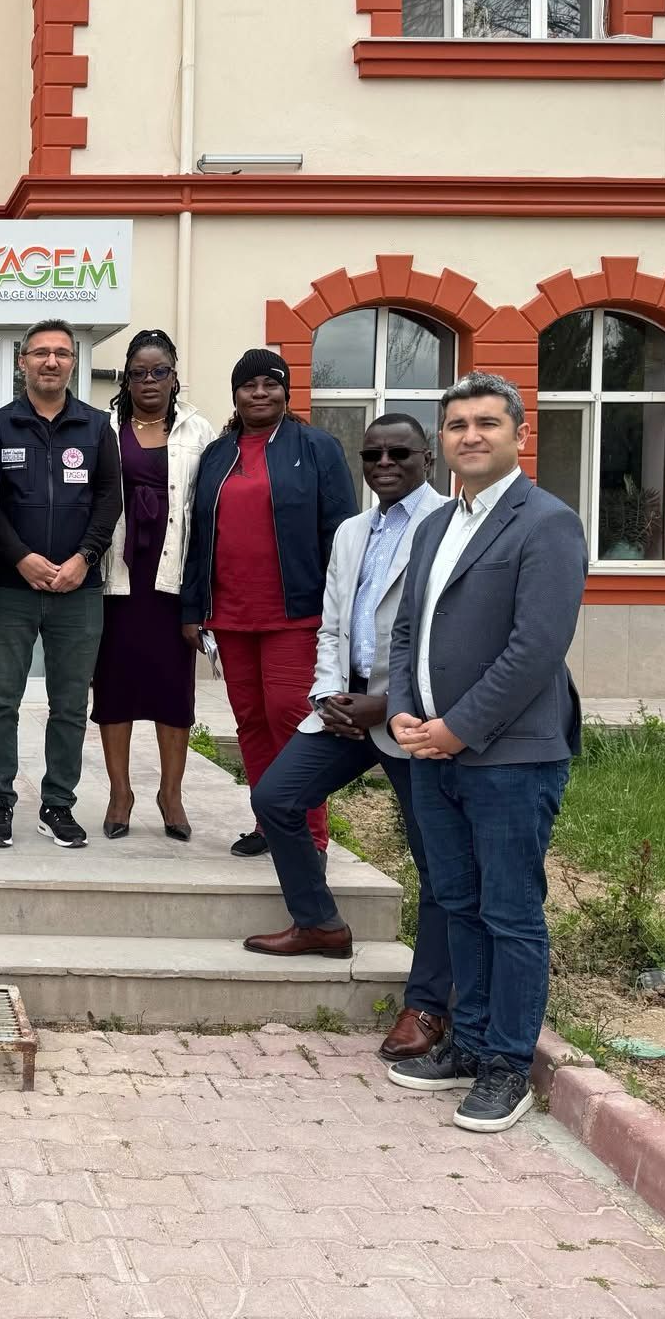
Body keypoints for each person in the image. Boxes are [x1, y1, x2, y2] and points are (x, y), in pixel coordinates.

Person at [385, 373, 587, 1133]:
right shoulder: (436, 525)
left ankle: (508, 1064)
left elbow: (536, 648)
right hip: (431, 751)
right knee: (457, 903)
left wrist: (458, 728)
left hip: (510, 757)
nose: (470, 435)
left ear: (519, 435)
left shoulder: (548, 523)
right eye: (457, 424)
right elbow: (407, 630)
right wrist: (403, 711)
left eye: (487, 423)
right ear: (443, 439)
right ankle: (467, 1045)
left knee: (509, 912)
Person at [242, 415, 454, 1064]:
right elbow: (333, 625)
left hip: (414, 716)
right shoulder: (352, 531)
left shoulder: (449, 525)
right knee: (276, 797)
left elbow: (448, 639)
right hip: (346, 706)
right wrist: (327, 696)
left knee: (436, 862)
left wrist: (388, 704)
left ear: (427, 458)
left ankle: (428, 1005)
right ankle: (319, 924)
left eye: (399, 452)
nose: (384, 463)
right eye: (372, 454)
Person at [179, 349, 354, 859]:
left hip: (295, 615)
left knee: (292, 718)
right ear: (235, 394)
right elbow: (198, 537)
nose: (259, 393)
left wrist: (340, 607)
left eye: (270, 384)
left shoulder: (317, 448)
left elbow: (341, 534)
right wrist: (193, 609)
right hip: (230, 616)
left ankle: (310, 836)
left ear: (286, 391)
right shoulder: (218, 454)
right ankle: (269, 822)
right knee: (251, 722)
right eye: (248, 385)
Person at [0, 319, 122, 849]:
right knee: (2, 699)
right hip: (10, 588)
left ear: (73, 364)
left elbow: (109, 499)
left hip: (78, 591)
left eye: (62, 353)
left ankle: (58, 803)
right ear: (23, 362)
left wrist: (85, 558)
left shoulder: (96, 426)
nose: (52, 361)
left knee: (69, 705)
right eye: (41, 353)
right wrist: (20, 557)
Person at [93, 330, 215, 841]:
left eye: (159, 371)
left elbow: (209, 512)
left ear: (174, 376)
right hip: (118, 576)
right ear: (126, 378)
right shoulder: (103, 428)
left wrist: (203, 592)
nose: (149, 380)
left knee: (173, 691)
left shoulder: (198, 430)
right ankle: (120, 794)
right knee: (114, 687)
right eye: (139, 372)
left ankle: (171, 794)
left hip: (172, 578)